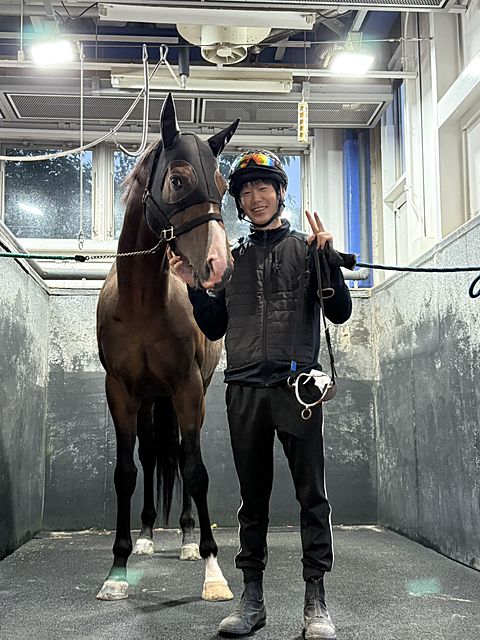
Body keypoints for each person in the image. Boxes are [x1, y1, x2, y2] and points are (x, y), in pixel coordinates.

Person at [168, 150, 356, 640]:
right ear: (239, 202)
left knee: (311, 496)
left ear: (280, 192)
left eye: (263, 188)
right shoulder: (232, 261)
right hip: (245, 390)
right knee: (252, 501)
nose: (255, 198)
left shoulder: (306, 250)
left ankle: (316, 602)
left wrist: (328, 262)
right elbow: (214, 327)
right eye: (246, 191)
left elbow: (339, 313)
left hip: (298, 391)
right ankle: (252, 600)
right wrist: (194, 288)